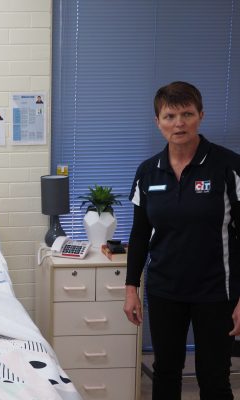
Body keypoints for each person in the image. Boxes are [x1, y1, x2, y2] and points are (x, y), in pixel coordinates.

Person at [123, 81, 240, 400]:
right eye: (170, 116)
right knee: (165, 373)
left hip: (216, 292)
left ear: (201, 115)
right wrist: (131, 288)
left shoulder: (228, 167)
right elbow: (139, 234)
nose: (179, 123)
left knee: (214, 378)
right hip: (165, 290)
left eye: (187, 114)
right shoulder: (147, 172)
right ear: (157, 121)